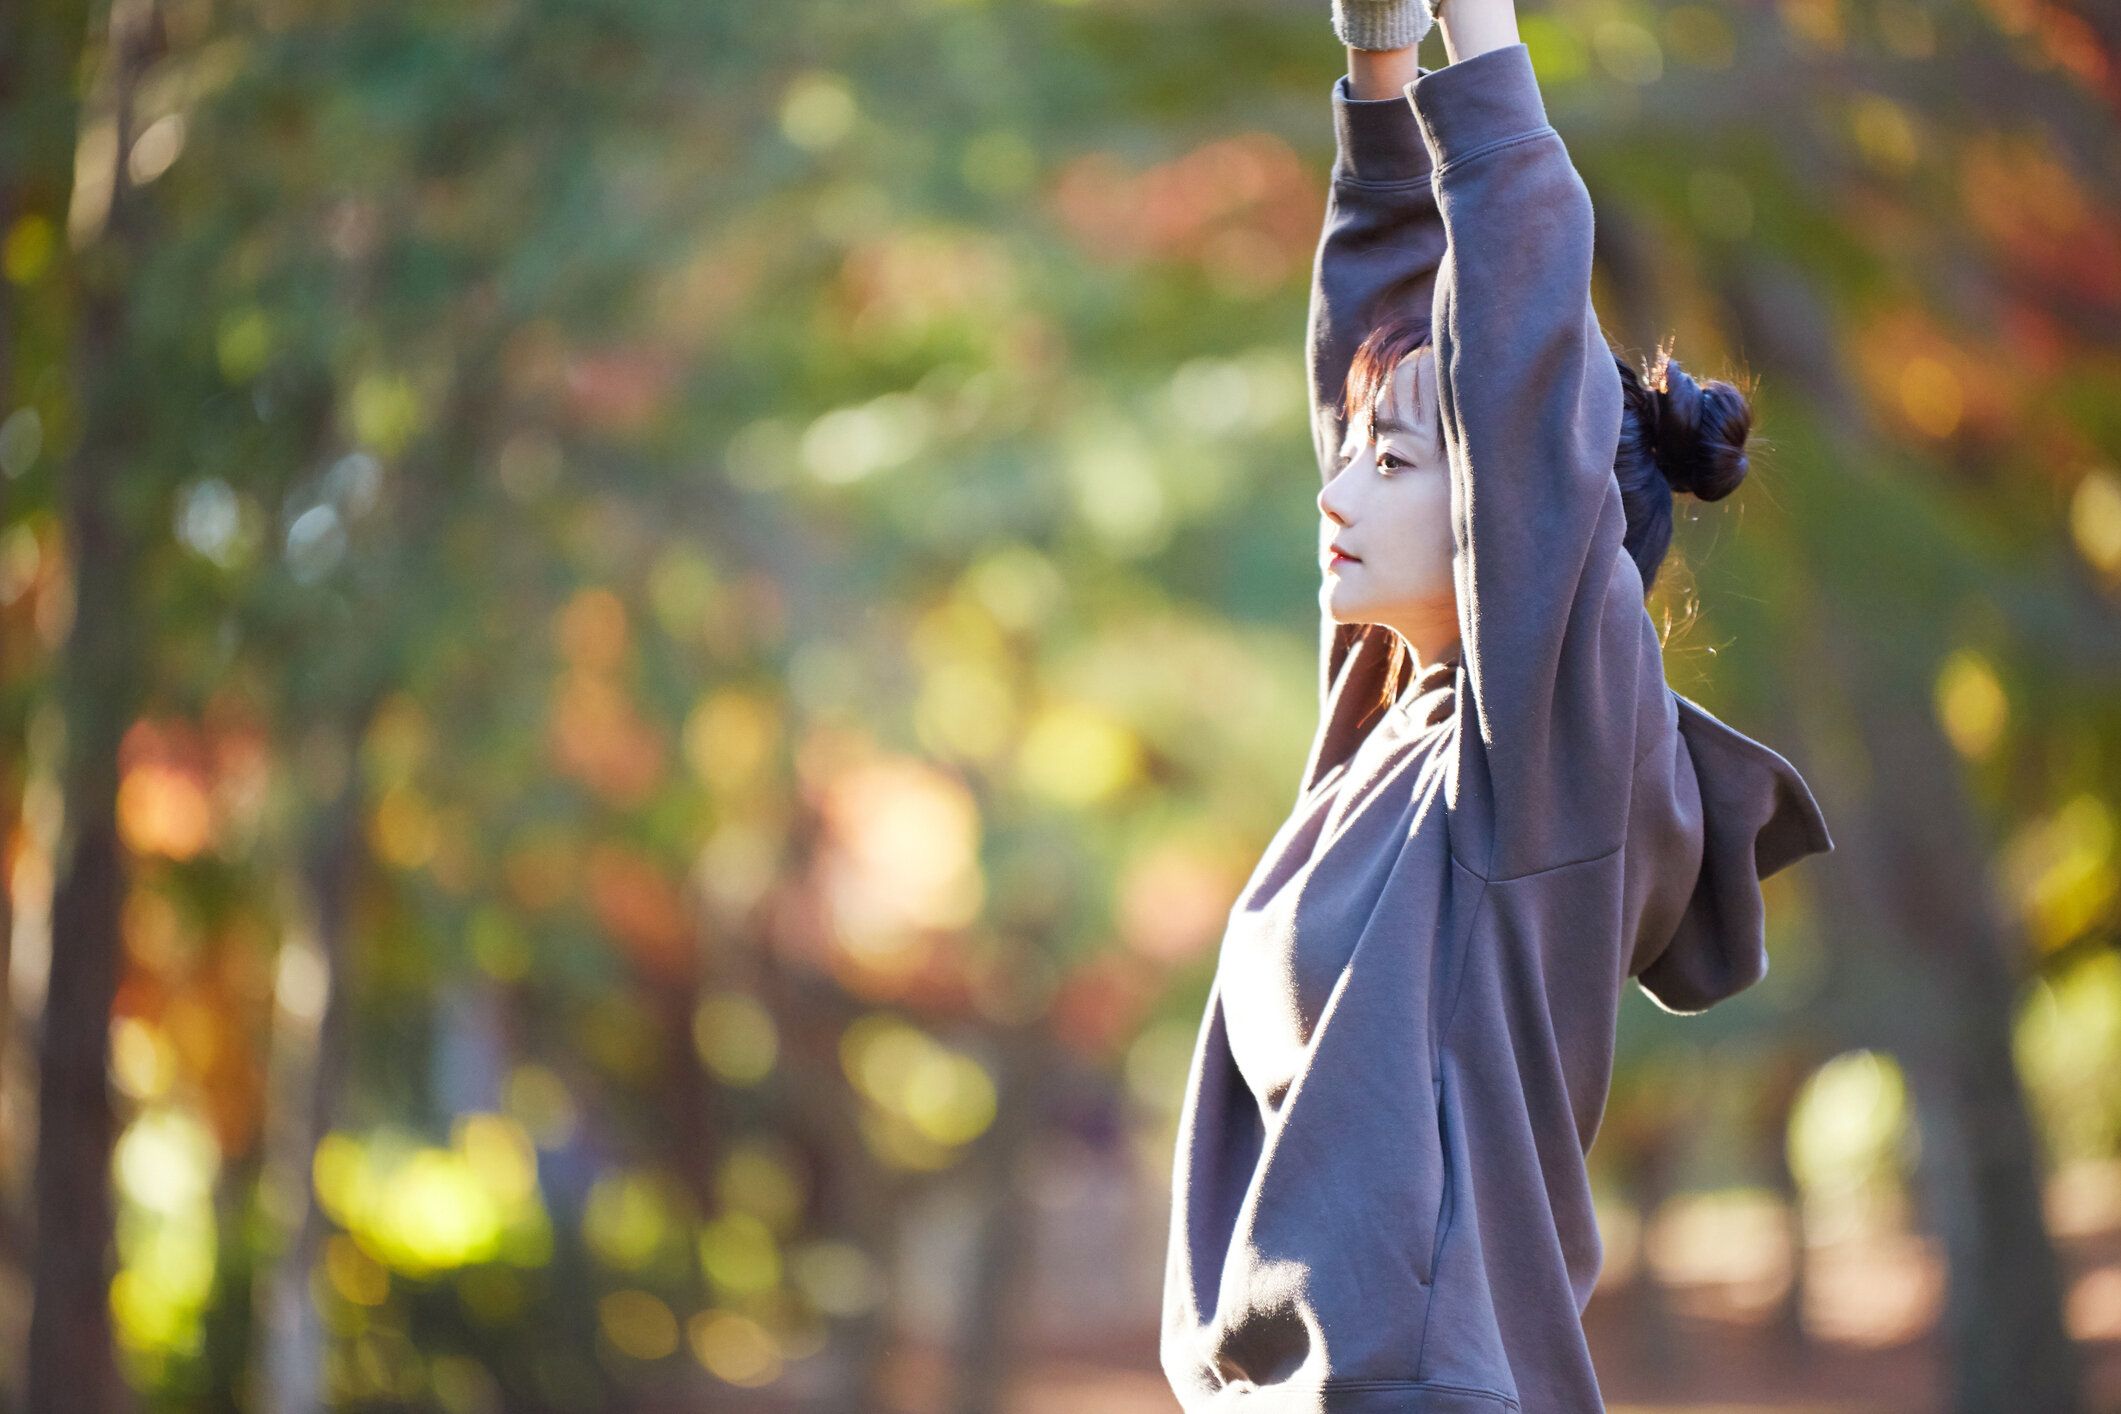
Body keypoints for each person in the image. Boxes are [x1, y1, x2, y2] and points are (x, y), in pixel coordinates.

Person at [1158, 0, 1838, 1407]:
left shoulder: (1536, 770)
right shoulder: (1385, 739)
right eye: (1353, 458)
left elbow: (1519, 395)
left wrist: (1480, 35)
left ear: (1506, 518)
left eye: (1396, 468)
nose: (1336, 495)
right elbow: (1380, 325)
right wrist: (1378, 68)